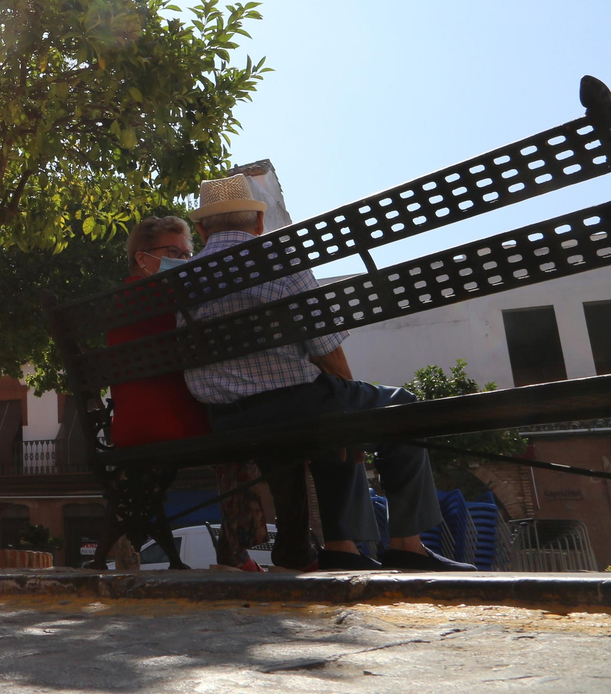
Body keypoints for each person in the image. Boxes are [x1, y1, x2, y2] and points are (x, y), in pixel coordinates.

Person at [179, 173, 473, 572]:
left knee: (332, 416)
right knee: (398, 405)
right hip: (294, 405)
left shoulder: (181, 282)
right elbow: (327, 350)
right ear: (259, 224)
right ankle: (407, 544)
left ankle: (343, 549)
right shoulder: (277, 263)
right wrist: (351, 402)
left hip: (226, 421)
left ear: (199, 228)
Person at [107, 216, 271, 572]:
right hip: (174, 423)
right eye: (173, 252)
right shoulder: (173, 298)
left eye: (187, 254)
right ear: (142, 257)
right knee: (242, 433)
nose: (184, 261)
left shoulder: (118, 301)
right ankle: (236, 552)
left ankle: (236, 553)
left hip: (129, 428)